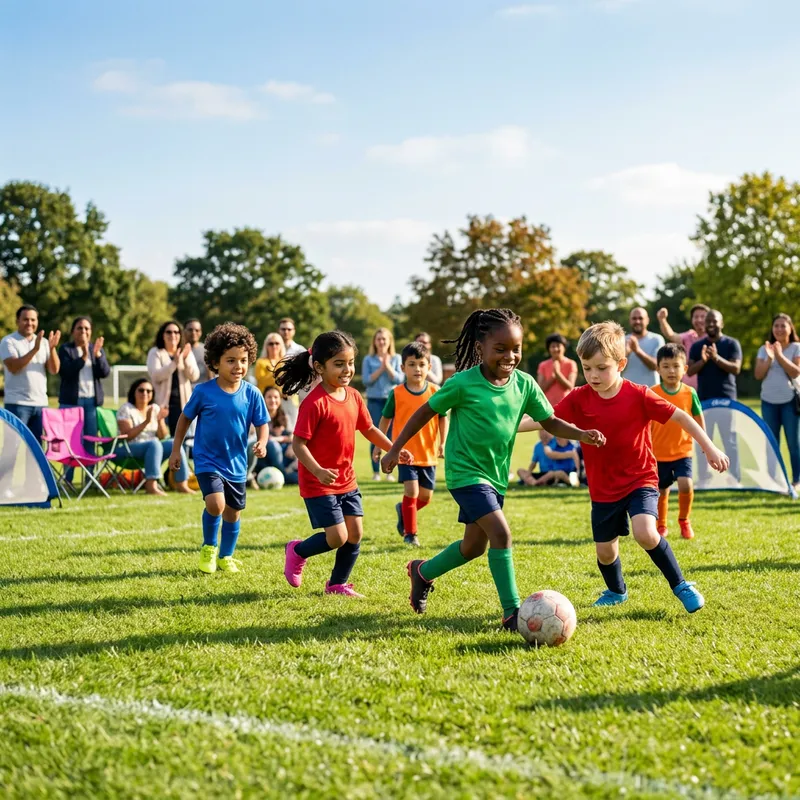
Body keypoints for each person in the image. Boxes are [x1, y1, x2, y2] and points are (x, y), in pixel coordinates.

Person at [381, 308, 604, 632]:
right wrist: (394, 447)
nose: (509, 356)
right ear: (480, 348)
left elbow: (550, 421)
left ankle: (422, 572)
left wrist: (581, 434)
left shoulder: (524, 385)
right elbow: (424, 412)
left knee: (473, 547)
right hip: (465, 474)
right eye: (500, 349)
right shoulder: (462, 383)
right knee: (501, 534)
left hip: (496, 477)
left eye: (516, 349)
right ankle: (512, 613)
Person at [553, 322, 728, 613]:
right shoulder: (579, 397)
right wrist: (507, 427)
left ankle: (681, 585)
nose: (593, 375)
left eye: (602, 368)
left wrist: (709, 447)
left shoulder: (639, 394)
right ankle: (616, 591)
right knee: (605, 552)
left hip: (640, 478)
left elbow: (682, 417)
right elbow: (546, 419)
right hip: (603, 488)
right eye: (587, 368)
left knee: (645, 532)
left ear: (621, 364)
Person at [278, 331, 413, 598]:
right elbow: (298, 444)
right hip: (319, 482)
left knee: (355, 533)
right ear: (320, 367)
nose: (347, 369)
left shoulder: (353, 396)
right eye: (339, 364)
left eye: (350, 363)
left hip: (347, 480)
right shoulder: (314, 403)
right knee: (336, 537)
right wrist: (317, 470)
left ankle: (337, 584)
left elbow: (369, 428)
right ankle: (297, 550)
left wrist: (394, 449)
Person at [170, 323, 268, 574]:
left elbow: (262, 424)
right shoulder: (203, 392)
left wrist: (262, 442)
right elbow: (184, 419)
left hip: (236, 463)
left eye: (243, 360)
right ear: (215, 362)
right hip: (208, 460)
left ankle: (226, 556)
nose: (238, 366)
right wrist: (175, 449)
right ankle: (209, 547)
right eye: (231, 360)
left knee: (233, 513)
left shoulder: (252, 393)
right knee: (216, 505)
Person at [374, 341, 448, 547]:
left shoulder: (435, 391)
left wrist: (443, 442)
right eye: (412, 364)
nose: (417, 369)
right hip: (404, 454)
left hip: (428, 454)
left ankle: (403, 510)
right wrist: (379, 445)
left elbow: (443, 418)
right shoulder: (396, 393)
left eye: (422, 364)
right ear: (402, 367)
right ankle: (411, 534)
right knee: (412, 492)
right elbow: (385, 420)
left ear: (429, 367)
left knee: (425, 497)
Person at [650, 343, 704, 540]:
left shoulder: (690, 393)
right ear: (658, 369)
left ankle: (684, 520)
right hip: (658, 452)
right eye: (666, 366)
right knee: (661, 490)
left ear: (685, 369)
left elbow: (698, 418)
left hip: (683, 450)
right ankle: (661, 525)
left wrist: (704, 442)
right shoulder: (652, 393)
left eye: (676, 366)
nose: (671, 371)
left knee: (686, 484)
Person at [687, 310, 742, 480]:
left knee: (729, 440)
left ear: (721, 323)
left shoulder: (731, 344)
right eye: (708, 321)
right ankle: (704, 477)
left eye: (714, 321)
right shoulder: (697, 347)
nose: (711, 324)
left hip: (727, 399)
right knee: (704, 440)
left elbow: (736, 368)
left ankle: (734, 478)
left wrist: (716, 358)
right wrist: (703, 360)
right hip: (704, 401)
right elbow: (690, 371)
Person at [116, 378, 193, 496]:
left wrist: (160, 420)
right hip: (129, 447)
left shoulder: (154, 408)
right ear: (133, 392)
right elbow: (127, 436)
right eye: (141, 390)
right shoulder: (126, 409)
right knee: (154, 443)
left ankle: (182, 484)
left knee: (173, 443)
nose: (145, 393)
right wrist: (146, 421)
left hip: (153, 448)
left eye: (149, 391)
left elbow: (163, 436)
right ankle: (151, 485)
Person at [58, 317, 110, 482]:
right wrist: (83, 358)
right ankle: (68, 480)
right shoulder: (66, 349)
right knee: (70, 443)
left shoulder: (96, 349)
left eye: (87, 328)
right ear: (73, 331)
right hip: (71, 403)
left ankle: (90, 480)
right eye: (79, 328)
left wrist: (98, 355)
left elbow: (105, 372)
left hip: (91, 403)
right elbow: (65, 372)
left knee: (90, 441)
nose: (83, 331)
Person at [0, 304, 60, 441]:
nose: (30, 323)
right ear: (17, 321)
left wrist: (52, 349)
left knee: (37, 448)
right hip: (17, 404)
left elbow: (54, 370)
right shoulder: (8, 341)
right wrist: (35, 349)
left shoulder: (44, 342)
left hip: (40, 404)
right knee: (12, 446)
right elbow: (14, 367)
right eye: (25, 319)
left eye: (33, 320)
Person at [754, 313, 800, 490]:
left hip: (789, 401)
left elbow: (795, 372)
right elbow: (758, 374)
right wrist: (769, 358)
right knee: (771, 443)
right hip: (768, 401)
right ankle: (773, 481)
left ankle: (797, 480)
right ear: (772, 329)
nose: (779, 329)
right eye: (776, 326)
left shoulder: (796, 347)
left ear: (790, 328)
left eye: (783, 326)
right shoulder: (764, 349)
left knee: (793, 443)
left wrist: (779, 355)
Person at [362, 327, 404, 481]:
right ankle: (375, 472)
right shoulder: (368, 359)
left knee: (391, 437)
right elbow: (367, 380)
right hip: (374, 400)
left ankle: (389, 472)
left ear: (389, 341)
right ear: (374, 341)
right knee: (375, 435)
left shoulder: (396, 358)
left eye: (384, 339)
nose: (381, 342)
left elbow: (399, 379)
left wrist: (388, 366)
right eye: (378, 339)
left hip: (392, 400)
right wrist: (381, 368)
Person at [147, 321, 200, 436]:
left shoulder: (186, 352)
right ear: (163, 335)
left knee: (184, 439)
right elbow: (156, 375)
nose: (173, 335)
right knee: (165, 439)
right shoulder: (156, 352)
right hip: (163, 406)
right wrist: (174, 362)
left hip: (183, 405)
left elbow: (194, 376)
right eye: (169, 332)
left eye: (176, 332)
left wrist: (184, 360)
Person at [251, 385, 298, 486]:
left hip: (283, 455)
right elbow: (260, 438)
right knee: (272, 444)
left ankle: (293, 474)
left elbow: (293, 436)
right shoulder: (257, 416)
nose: (273, 400)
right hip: (264, 457)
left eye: (276, 397)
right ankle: (284, 475)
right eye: (269, 397)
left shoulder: (284, 417)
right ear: (263, 399)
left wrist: (290, 444)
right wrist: (281, 439)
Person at [656, 304, 709, 389]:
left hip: (707, 390)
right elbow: (671, 335)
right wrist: (662, 319)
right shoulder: (689, 336)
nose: (699, 320)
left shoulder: (712, 340)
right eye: (696, 317)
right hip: (687, 390)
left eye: (703, 317)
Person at [623, 307, 664, 387]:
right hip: (627, 390)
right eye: (634, 318)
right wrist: (625, 353)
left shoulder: (656, 339)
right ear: (630, 321)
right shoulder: (622, 340)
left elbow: (656, 366)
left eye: (640, 318)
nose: (637, 321)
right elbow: (615, 367)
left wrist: (637, 350)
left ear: (647, 320)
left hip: (651, 390)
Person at [536, 333, 578, 406]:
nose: (555, 349)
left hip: (566, 405)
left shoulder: (571, 364)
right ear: (549, 349)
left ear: (564, 347)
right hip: (548, 406)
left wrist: (557, 373)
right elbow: (540, 389)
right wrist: (553, 377)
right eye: (552, 346)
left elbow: (570, 386)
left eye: (558, 346)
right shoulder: (543, 365)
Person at [184, 319, 207, 384]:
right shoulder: (178, 351)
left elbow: (211, 375)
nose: (193, 333)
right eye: (190, 330)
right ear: (184, 331)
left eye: (197, 330)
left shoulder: (207, 350)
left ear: (201, 332)